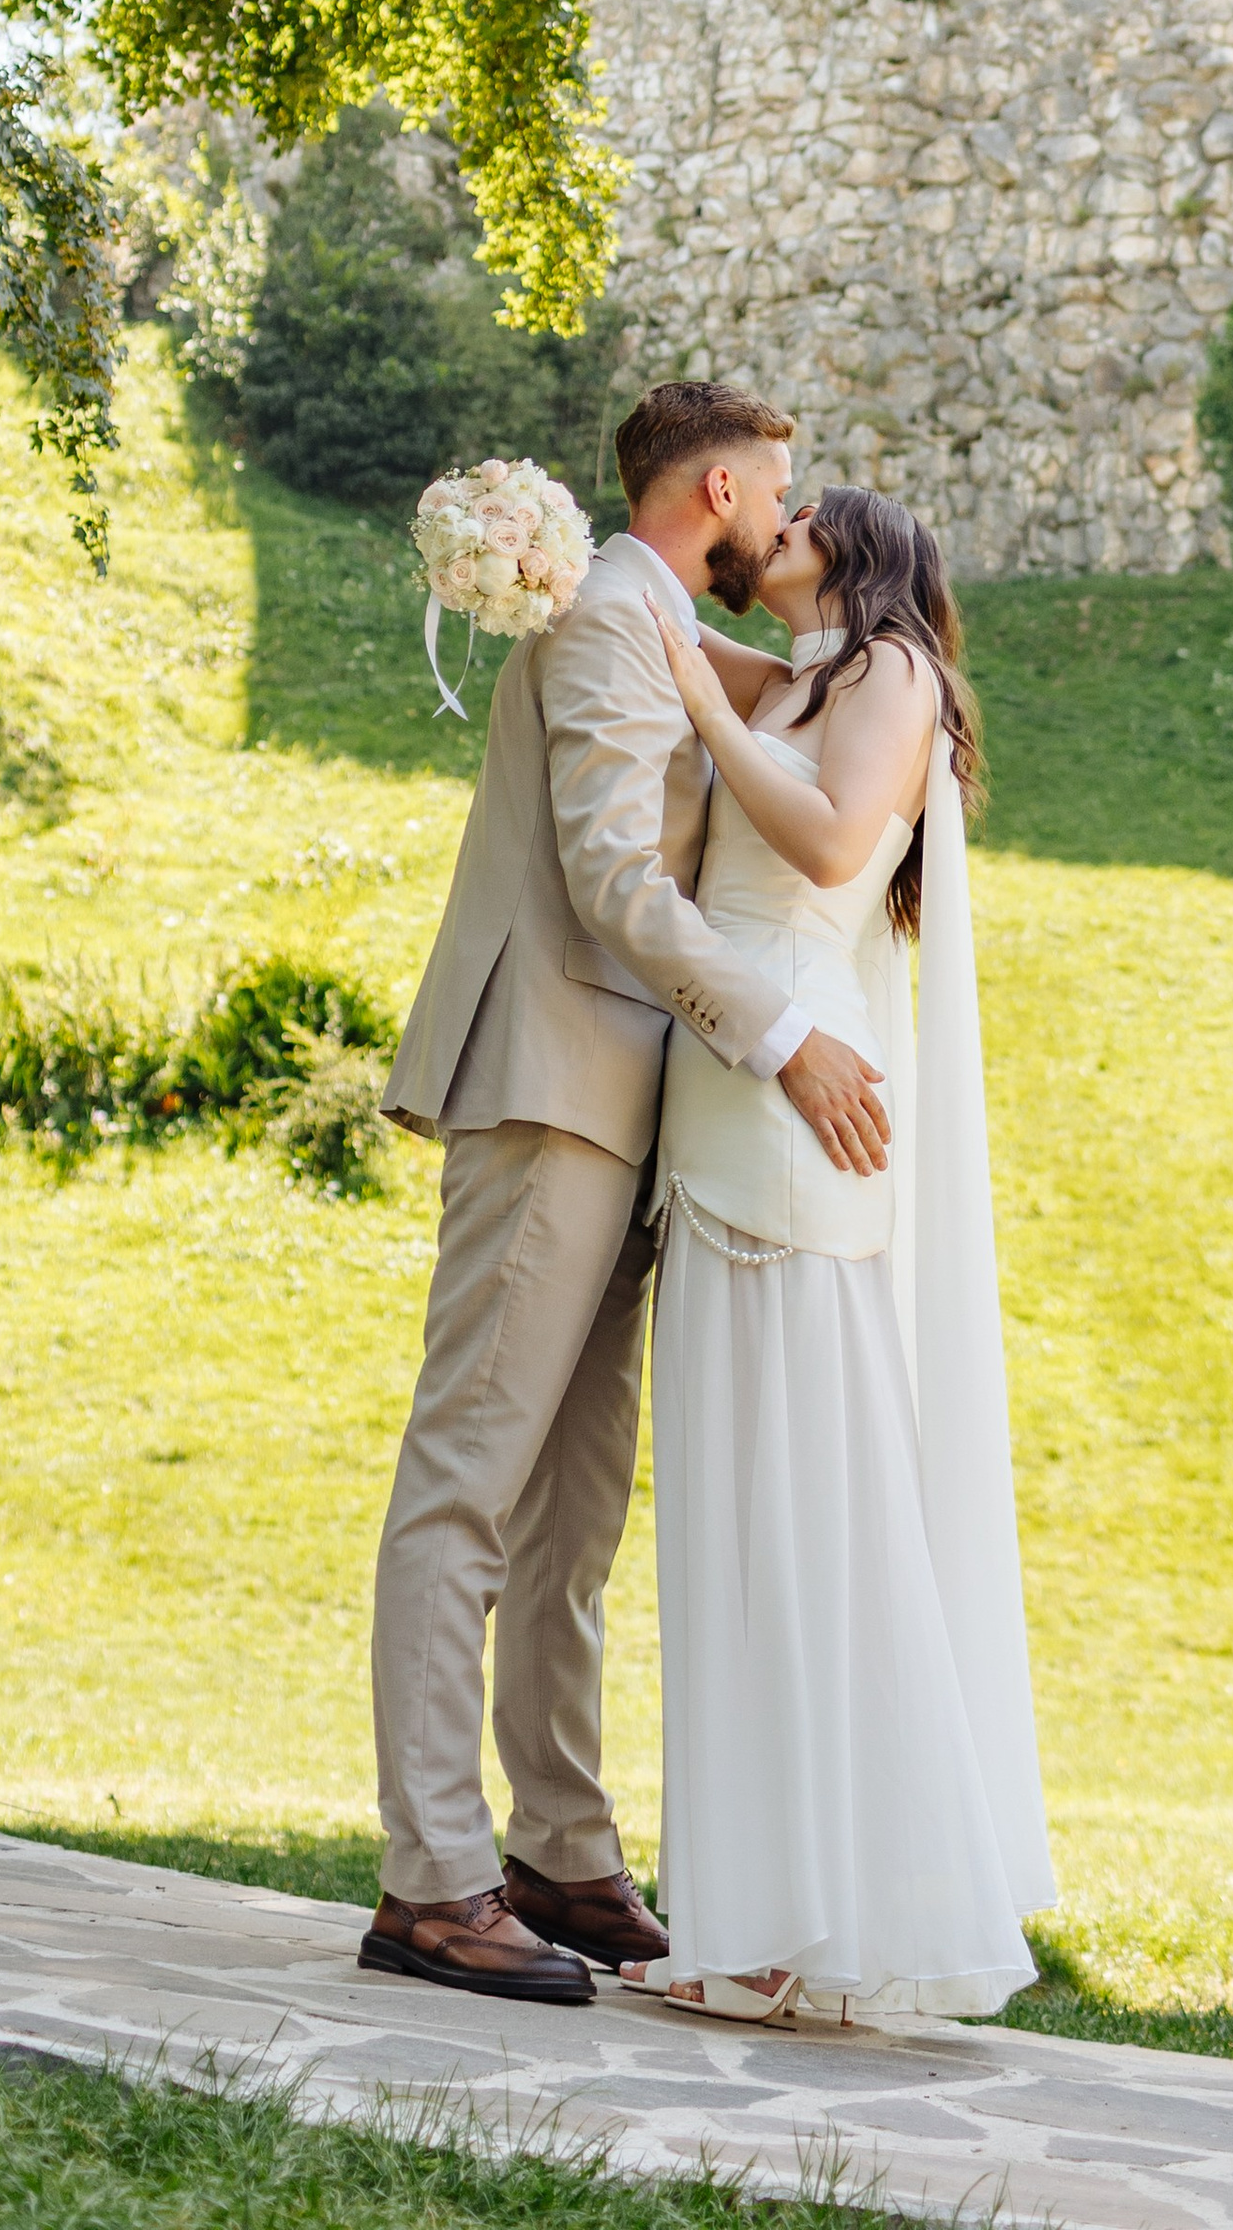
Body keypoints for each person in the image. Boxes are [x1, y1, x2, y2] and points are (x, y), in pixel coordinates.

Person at [362, 384, 891, 2004]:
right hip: (547, 1086)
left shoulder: (653, 611)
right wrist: (786, 1032)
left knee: (572, 1512)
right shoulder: (607, 619)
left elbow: (805, 705)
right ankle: (433, 1881)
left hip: (623, 1108)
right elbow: (611, 878)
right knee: (467, 1483)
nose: (787, 517)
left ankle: (564, 1854)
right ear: (717, 486)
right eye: (779, 492)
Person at [625, 484, 1052, 2024]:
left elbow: (819, 850)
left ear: (859, 555)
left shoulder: (888, 674)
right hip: (723, 1105)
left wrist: (700, 700)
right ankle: (755, 1911)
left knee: (809, 1500)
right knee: (741, 1510)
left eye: (800, 513)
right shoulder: (802, 676)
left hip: (804, 1104)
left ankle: (815, 1917)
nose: (776, 525)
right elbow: (663, 619)